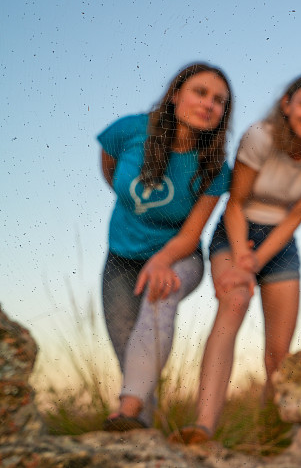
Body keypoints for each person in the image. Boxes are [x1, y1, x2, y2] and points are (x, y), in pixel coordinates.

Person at [173, 72, 301, 444]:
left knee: (278, 353)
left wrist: (258, 260)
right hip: (236, 230)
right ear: (287, 105)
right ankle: (203, 426)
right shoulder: (260, 136)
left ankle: (272, 435)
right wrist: (242, 259)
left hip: (280, 243)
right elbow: (235, 204)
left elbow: (294, 217)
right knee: (234, 301)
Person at [98, 63, 234, 431]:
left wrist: (161, 260)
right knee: (129, 351)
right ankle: (142, 431)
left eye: (219, 100)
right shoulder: (128, 131)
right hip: (121, 258)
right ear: (175, 95)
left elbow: (192, 235)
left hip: (179, 257)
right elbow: (110, 170)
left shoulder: (215, 168)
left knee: (161, 296)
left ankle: (125, 413)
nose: (208, 104)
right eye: (200, 92)